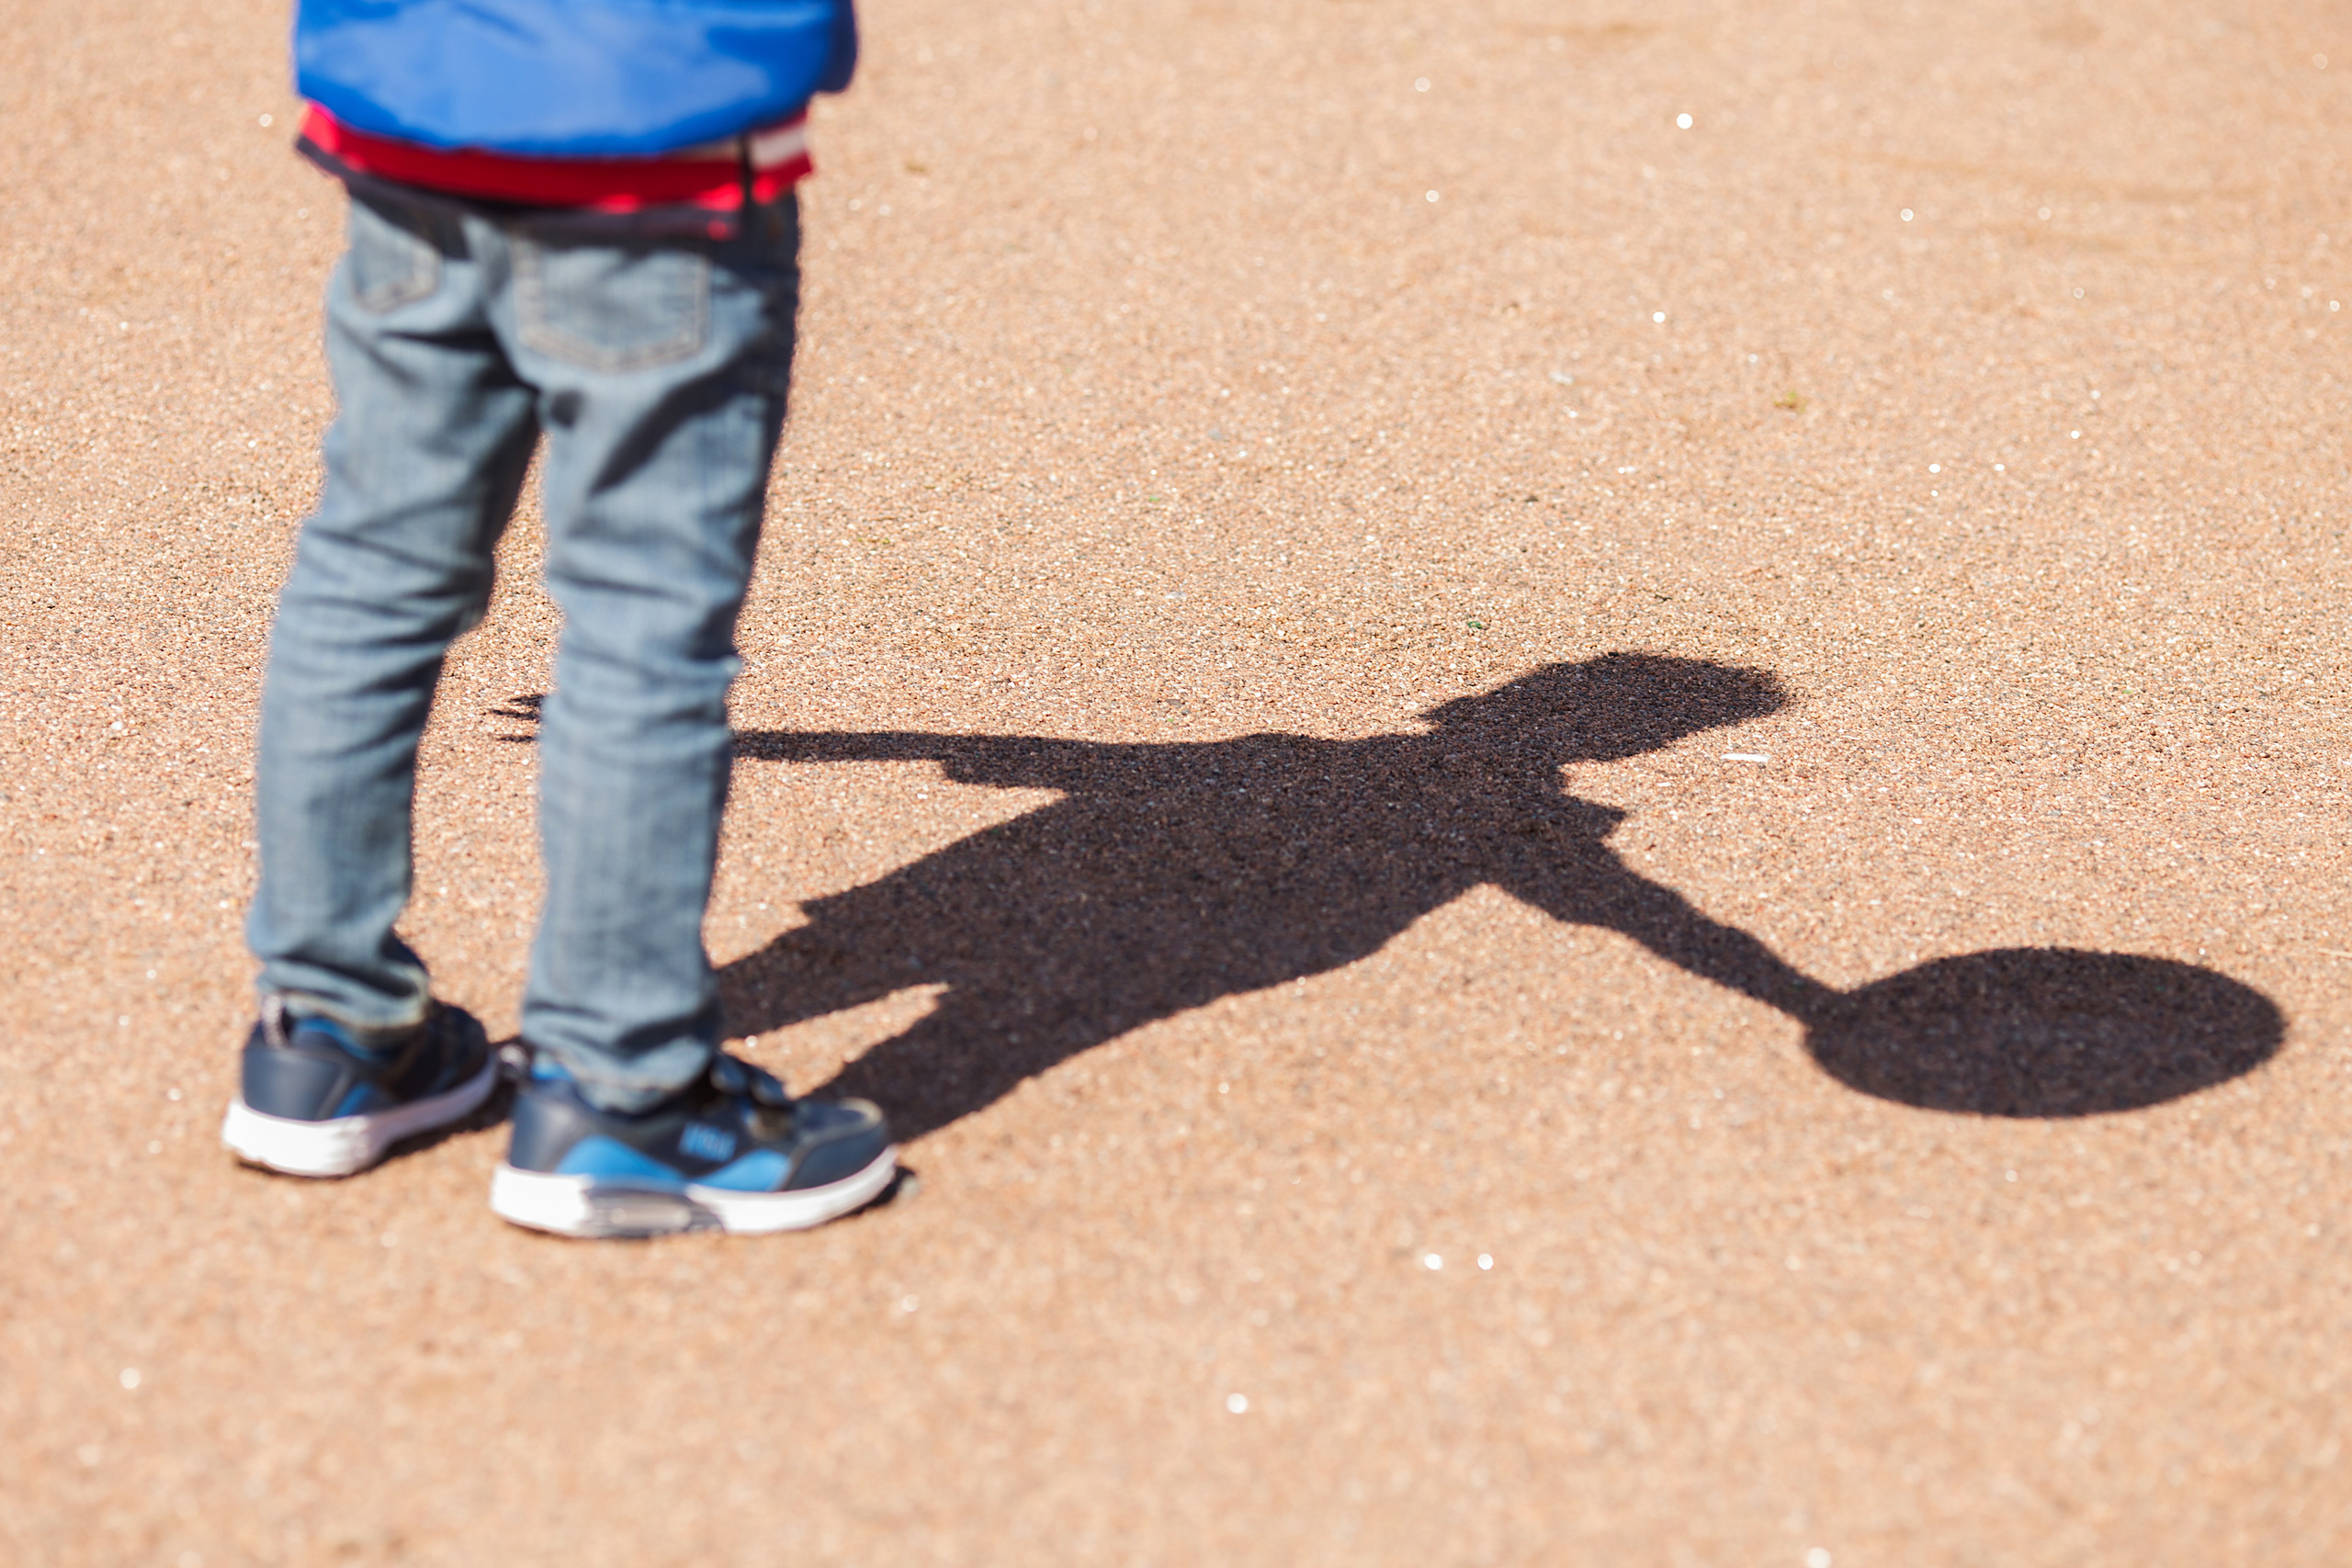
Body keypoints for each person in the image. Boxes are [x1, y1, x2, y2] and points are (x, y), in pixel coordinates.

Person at [219, 0, 897, 1238]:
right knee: (644, 623)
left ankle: (322, 1033)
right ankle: (622, 1094)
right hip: (655, 137)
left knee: (370, 573)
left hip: (413, 110)